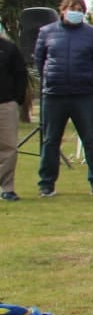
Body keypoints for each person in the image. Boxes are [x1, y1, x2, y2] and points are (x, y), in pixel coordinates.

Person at [34, 0, 93, 197]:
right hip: (54, 94)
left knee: (90, 139)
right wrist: (51, 79)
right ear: (63, 9)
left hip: (84, 95)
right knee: (51, 140)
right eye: (72, 8)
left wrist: (88, 80)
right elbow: (40, 62)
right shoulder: (46, 32)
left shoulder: (92, 35)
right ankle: (46, 184)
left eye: (80, 9)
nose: (75, 12)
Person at [0, 32, 28, 202]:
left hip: (6, 104)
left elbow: (20, 74)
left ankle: (7, 188)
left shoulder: (9, 48)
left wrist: (16, 99)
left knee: (8, 147)